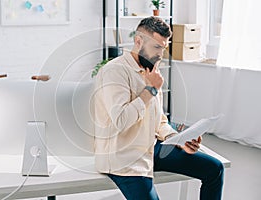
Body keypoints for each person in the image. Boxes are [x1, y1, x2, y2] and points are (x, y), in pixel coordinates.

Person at [93, 16, 224, 200]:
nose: (161, 54)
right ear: (138, 41)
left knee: (214, 169)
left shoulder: (152, 71)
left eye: (163, 47)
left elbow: (159, 120)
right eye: (156, 47)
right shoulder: (114, 72)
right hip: (124, 158)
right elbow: (121, 121)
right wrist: (151, 90)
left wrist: (177, 139)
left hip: (151, 149)